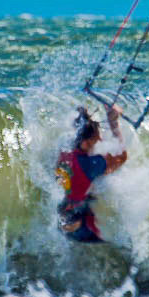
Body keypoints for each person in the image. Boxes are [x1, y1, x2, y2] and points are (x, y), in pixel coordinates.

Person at [55, 103, 127, 243]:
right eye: (96, 139)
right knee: (117, 245)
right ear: (86, 143)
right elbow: (122, 157)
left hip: (62, 216)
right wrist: (113, 123)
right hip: (79, 226)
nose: (99, 140)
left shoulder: (65, 152)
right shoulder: (90, 165)